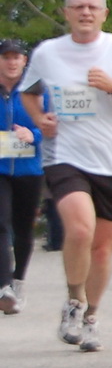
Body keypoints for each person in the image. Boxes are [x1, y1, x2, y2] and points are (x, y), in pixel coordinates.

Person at [20, 0, 112, 352]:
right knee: (80, 229)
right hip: (65, 156)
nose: (85, 12)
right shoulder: (48, 52)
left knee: (102, 248)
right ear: (66, 13)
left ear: (104, 14)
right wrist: (40, 119)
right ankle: (73, 302)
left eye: (92, 7)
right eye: (78, 7)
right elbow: (28, 92)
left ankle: (92, 316)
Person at [0, 38, 43, 315]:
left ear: (25, 61)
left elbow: (54, 124)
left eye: (16, 57)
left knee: (24, 229)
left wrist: (33, 134)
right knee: (0, 223)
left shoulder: (36, 91)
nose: (11, 62)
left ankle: (18, 280)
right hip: (1, 169)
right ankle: (3, 286)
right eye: (6, 57)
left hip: (30, 170)